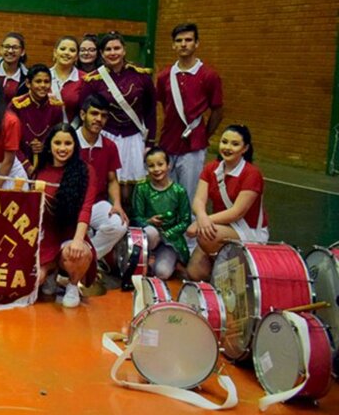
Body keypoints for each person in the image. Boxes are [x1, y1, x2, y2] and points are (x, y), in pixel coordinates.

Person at [80, 32, 156, 200]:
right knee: (104, 180)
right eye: (108, 49)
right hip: (106, 135)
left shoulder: (141, 75)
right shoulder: (93, 80)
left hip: (133, 136)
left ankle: (130, 219)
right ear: (101, 53)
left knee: (131, 188)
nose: (113, 52)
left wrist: (150, 142)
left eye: (117, 48)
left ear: (124, 50)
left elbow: (151, 111)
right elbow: (84, 111)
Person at [186, 125, 268, 280]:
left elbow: (236, 212)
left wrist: (202, 223)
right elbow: (198, 200)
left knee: (204, 236)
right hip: (221, 226)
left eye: (235, 144)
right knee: (195, 273)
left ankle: (226, 268)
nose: (227, 147)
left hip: (248, 230)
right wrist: (202, 217)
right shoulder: (211, 168)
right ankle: (221, 261)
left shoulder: (252, 174)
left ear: (245, 149)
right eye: (224, 142)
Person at [156, 23, 224, 199]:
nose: (183, 44)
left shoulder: (209, 76)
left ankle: (190, 226)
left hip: (193, 147)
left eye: (188, 40)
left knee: (189, 195)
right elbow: (163, 105)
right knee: (166, 193)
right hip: (168, 143)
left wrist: (204, 135)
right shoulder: (164, 76)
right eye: (179, 41)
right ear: (173, 45)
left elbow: (217, 110)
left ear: (196, 43)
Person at [33, 124, 98, 308]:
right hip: (46, 238)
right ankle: (50, 270)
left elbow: (86, 208)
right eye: (58, 143)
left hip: (70, 235)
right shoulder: (39, 170)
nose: (62, 148)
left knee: (80, 254)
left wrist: (78, 240)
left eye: (68, 143)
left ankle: (72, 285)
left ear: (75, 146)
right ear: (50, 145)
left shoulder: (86, 171)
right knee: (36, 281)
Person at [75, 95, 128, 261]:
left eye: (104, 116)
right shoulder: (68, 141)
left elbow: (112, 179)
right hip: (70, 204)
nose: (99, 119)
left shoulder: (110, 145)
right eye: (94, 114)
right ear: (83, 115)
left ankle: (85, 260)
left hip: (96, 203)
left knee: (119, 225)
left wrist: (117, 204)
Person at [131, 147, 191, 279]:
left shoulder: (178, 191)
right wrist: (149, 221)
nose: (156, 169)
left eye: (160, 164)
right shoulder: (142, 188)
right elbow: (135, 217)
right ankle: (146, 259)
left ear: (168, 165)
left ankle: (167, 261)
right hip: (150, 236)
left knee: (163, 273)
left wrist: (168, 234)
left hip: (170, 241)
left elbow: (185, 220)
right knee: (151, 233)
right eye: (151, 166)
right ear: (146, 168)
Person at [12, 65, 65, 175]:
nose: (43, 85)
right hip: (17, 161)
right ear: (28, 83)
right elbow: (11, 140)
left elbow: (58, 137)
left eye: (46, 82)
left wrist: (44, 146)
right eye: (38, 81)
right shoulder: (16, 105)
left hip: (46, 160)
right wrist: (26, 165)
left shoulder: (56, 107)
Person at [50, 36, 83, 125]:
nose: (67, 53)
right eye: (63, 49)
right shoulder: (43, 76)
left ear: (76, 57)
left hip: (72, 132)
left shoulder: (84, 79)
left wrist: (72, 129)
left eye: (72, 50)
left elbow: (85, 110)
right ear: (55, 53)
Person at [0, 32, 29, 104]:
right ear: (1, 49)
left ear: (22, 52)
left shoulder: (27, 78)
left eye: (15, 47)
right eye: (7, 47)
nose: (10, 51)